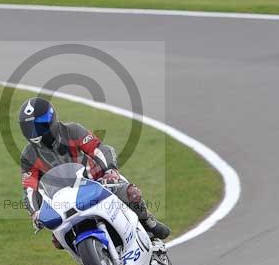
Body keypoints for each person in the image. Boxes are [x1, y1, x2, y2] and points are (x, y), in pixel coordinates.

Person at [18, 97, 170, 248]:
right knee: (58, 241)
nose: (36, 132)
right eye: (30, 128)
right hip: (65, 200)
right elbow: (30, 187)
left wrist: (110, 171)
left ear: (51, 118)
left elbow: (99, 149)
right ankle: (91, 259)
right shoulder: (28, 156)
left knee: (132, 194)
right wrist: (35, 213)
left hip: (99, 182)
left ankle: (148, 222)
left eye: (40, 125)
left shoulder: (72, 131)